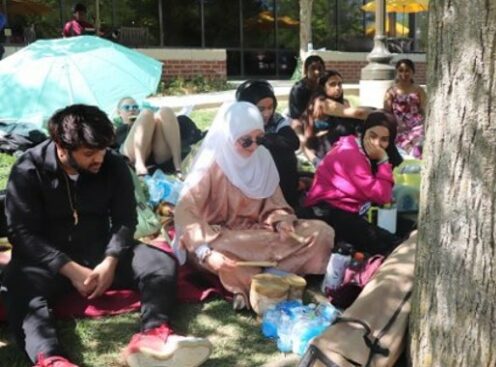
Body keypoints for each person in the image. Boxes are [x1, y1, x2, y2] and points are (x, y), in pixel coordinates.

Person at [2, 104, 211, 367]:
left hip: (100, 252)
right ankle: (51, 359)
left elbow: (125, 219)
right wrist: (68, 269)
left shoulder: (111, 163)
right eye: (89, 153)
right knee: (18, 284)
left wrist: (110, 260)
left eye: (102, 149)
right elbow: (21, 233)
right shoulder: (27, 170)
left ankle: (153, 336)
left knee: (160, 262)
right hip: (48, 262)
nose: (98, 159)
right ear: (61, 147)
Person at [173, 102, 334, 311]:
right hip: (223, 238)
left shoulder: (263, 158)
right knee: (220, 251)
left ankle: (256, 278)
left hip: (260, 235)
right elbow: (185, 213)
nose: (253, 147)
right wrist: (205, 253)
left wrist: (281, 222)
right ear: (229, 136)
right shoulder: (211, 164)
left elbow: (276, 204)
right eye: (245, 141)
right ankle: (271, 275)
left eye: (259, 139)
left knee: (322, 232)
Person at [304, 111, 403, 256]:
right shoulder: (352, 154)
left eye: (384, 139)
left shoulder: (363, 151)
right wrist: (383, 160)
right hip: (328, 214)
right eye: (372, 136)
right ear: (364, 132)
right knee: (389, 245)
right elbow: (383, 195)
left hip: (353, 210)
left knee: (404, 227)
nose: (377, 144)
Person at [236, 80, 300, 208]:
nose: (267, 113)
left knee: (284, 153)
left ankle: (288, 200)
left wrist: (265, 140)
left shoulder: (276, 119)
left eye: (270, 107)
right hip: (248, 177)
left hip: (279, 175)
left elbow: (294, 142)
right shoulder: (238, 122)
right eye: (261, 109)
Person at [303, 70, 376, 165]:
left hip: (337, 142)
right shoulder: (323, 102)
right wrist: (380, 113)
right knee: (354, 121)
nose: (337, 88)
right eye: (332, 84)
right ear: (322, 87)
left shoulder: (343, 102)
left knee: (356, 121)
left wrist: (374, 110)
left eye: (340, 84)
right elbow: (358, 113)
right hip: (321, 146)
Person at [114, 97, 183, 176]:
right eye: (127, 107)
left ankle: (177, 164)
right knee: (147, 113)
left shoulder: (150, 121)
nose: (131, 110)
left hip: (156, 156)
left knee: (165, 110)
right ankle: (139, 164)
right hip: (129, 158)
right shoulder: (118, 129)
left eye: (135, 107)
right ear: (119, 112)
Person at [384, 58, 427, 158]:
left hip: (417, 127)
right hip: (399, 128)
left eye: (407, 70)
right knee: (404, 149)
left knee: (419, 148)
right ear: (397, 72)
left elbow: (424, 110)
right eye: (401, 70)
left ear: (413, 72)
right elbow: (386, 112)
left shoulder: (419, 90)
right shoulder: (391, 91)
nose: (404, 73)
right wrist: (396, 125)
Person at [289, 55, 325, 123]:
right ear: (306, 70)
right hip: (303, 122)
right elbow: (296, 116)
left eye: (320, 68)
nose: (317, 72)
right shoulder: (298, 89)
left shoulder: (324, 85)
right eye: (313, 68)